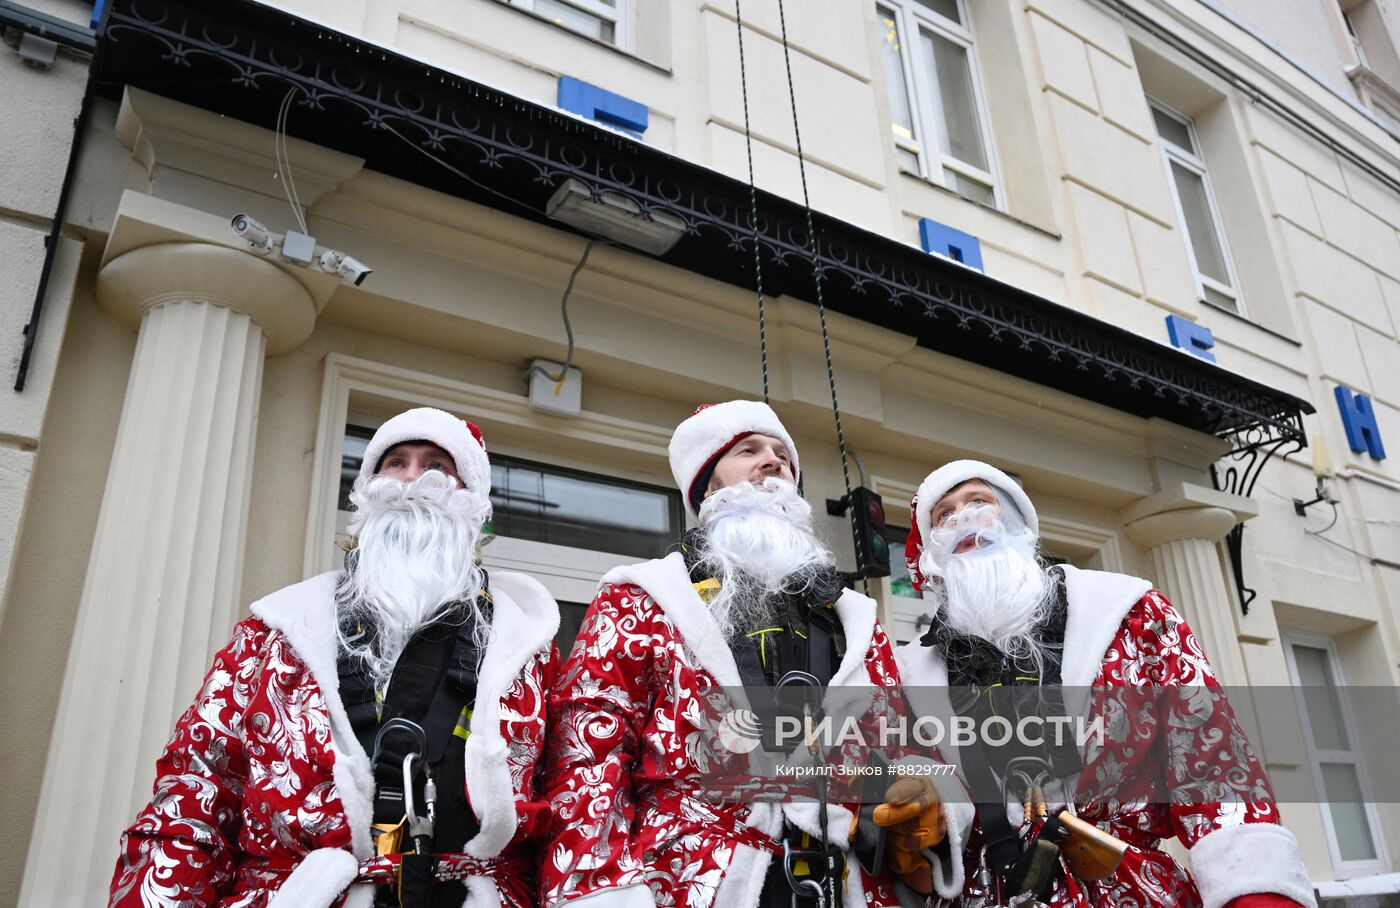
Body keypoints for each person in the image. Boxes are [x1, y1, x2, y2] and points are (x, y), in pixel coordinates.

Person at [109, 407, 560, 908]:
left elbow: (574, 807)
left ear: (470, 501)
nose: (411, 481)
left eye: (436, 466)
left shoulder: (527, 647)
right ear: (368, 488)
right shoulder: (276, 631)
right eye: (396, 463)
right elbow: (195, 791)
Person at [540, 400, 967, 908]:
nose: (774, 462)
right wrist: (601, 892)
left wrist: (927, 797)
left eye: (783, 456)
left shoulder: (852, 619)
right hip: (689, 884)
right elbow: (588, 756)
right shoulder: (643, 597)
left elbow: (901, 743)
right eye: (749, 450)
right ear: (709, 487)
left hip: (843, 884)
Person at [896, 459, 1315, 908]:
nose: (963, 518)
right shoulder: (908, 671)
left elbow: (1211, 763)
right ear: (933, 553)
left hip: (1126, 891)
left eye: (979, 501)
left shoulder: (1129, 614)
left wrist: (1256, 896)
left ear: (1017, 522)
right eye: (944, 515)